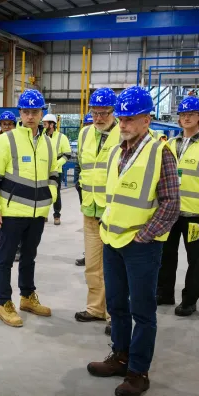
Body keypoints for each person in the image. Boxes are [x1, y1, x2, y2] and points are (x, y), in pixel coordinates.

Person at [87, 86, 180, 396]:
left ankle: (138, 372)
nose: (123, 124)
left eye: (130, 119)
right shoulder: (116, 151)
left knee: (142, 311)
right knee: (116, 306)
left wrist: (145, 234)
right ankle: (121, 356)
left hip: (142, 245)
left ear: (147, 120)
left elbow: (170, 203)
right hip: (113, 240)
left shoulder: (160, 152)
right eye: (121, 118)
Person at [0, 89, 58, 327]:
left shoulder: (48, 143)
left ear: (41, 114)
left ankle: (27, 297)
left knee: (29, 257)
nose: (30, 116)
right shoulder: (4, 141)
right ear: (20, 113)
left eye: (34, 112)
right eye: (25, 112)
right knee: (5, 259)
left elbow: (54, 174)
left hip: (37, 213)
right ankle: (4, 303)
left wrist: (48, 200)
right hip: (12, 212)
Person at [157, 97, 199, 316]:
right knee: (166, 254)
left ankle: (189, 301)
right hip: (171, 212)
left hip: (196, 215)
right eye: (182, 114)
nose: (186, 118)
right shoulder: (170, 144)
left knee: (195, 258)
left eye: (191, 114)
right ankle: (165, 293)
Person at [74, 88, 119, 336]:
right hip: (90, 209)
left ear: (114, 113)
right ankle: (95, 308)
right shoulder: (84, 134)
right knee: (92, 264)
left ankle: (115, 314)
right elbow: (83, 168)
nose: (99, 117)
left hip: (115, 212)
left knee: (114, 268)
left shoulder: (124, 134)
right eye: (95, 112)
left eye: (104, 113)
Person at [0, 111, 21, 262]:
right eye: (4, 124)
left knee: (19, 221)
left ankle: (19, 248)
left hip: (16, 187)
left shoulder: (20, 141)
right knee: (4, 221)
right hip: (2, 186)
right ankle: (3, 246)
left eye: (10, 124)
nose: (7, 127)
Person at [42, 114, 71, 226]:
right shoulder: (41, 137)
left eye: (45, 124)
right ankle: (43, 214)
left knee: (56, 194)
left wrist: (57, 164)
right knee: (42, 193)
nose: (44, 126)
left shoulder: (61, 137)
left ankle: (57, 215)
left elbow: (67, 154)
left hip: (56, 171)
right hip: (42, 171)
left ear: (52, 124)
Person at [75, 113, 93, 267]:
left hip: (108, 201)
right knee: (90, 234)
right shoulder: (84, 137)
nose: (89, 127)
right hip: (88, 196)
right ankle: (88, 255)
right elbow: (80, 163)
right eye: (87, 124)